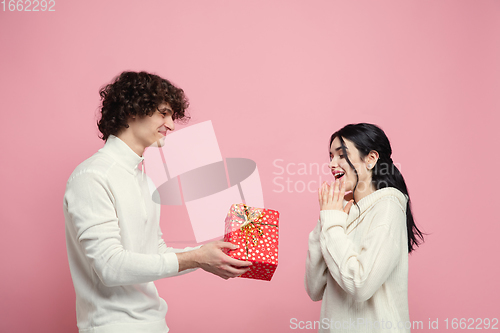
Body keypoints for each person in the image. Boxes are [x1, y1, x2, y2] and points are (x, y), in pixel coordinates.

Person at [64, 71, 252, 333]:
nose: (172, 125)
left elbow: (155, 252)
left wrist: (208, 254)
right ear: (132, 110)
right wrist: (197, 258)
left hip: (153, 324)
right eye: (163, 113)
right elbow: (109, 267)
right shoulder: (92, 176)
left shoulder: (145, 181)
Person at [305, 123, 424, 332]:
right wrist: (326, 219)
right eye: (331, 156)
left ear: (371, 159)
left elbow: (360, 285)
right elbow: (314, 289)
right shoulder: (342, 213)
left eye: (341, 155)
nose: (333, 164)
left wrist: (331, 223)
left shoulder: (388, 207)